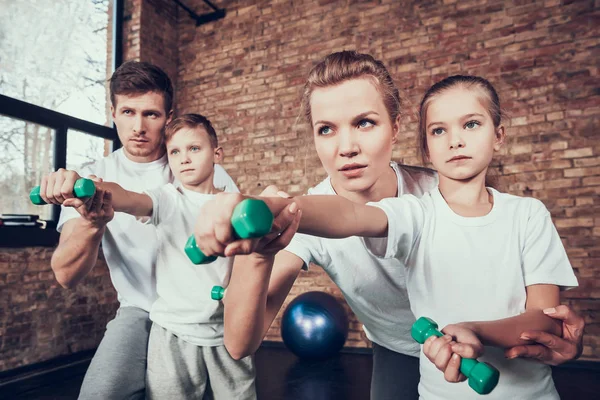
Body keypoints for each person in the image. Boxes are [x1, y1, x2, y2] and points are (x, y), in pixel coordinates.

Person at [191, 71, 580, 398]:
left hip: (495, 352)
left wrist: (546, 338)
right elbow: (348, 216)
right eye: (326, 129)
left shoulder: (444, 187)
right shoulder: (320, 216)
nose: (347, 147)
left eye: (364, 122)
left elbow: (540, 315)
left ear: (395, 129)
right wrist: (267, 219)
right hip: (398, 347)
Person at [38, 62, 238, 400]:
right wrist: (92, 222)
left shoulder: (198, 168)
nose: (138, 127)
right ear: (113, 111)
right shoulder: (95, 177)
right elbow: (65, 274)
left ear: (168, 117)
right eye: (128, 112)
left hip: (202, 312)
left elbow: (235, 247)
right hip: (140, 310)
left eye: (151, 114)